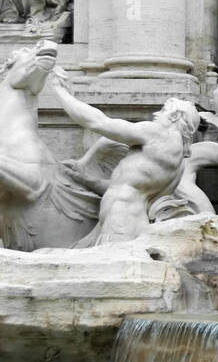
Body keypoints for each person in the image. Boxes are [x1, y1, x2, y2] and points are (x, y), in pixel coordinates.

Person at [49, 76, 201, 244]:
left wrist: (59, 91)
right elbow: (124, 186)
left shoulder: (159, 134)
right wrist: (85, 179)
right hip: (127, 221)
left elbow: (98, 122)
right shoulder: (178, 160)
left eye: (163, 110)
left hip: (121, 222)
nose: (156, 114)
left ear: (174, 116)